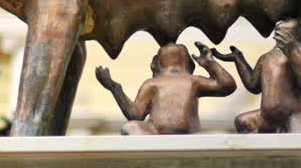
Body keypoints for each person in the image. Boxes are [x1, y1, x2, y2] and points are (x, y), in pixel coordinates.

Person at [95, 42, 236, 135]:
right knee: (131, 127)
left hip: (188, 134)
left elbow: (227, 86)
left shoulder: (193, 81)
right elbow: (136, 115)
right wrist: (114, 88)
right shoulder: (153, 83)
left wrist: (209, 63)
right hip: (155, 132)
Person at [212, 18, 301, 133]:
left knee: (300, 143)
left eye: (286, 31)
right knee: (243, 121)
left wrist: (291, 50)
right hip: (268, 118)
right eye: (279, 31)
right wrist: (238, 59)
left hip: (294, 116)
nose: (280, 33)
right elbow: (254, 86)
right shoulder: (266, 57)